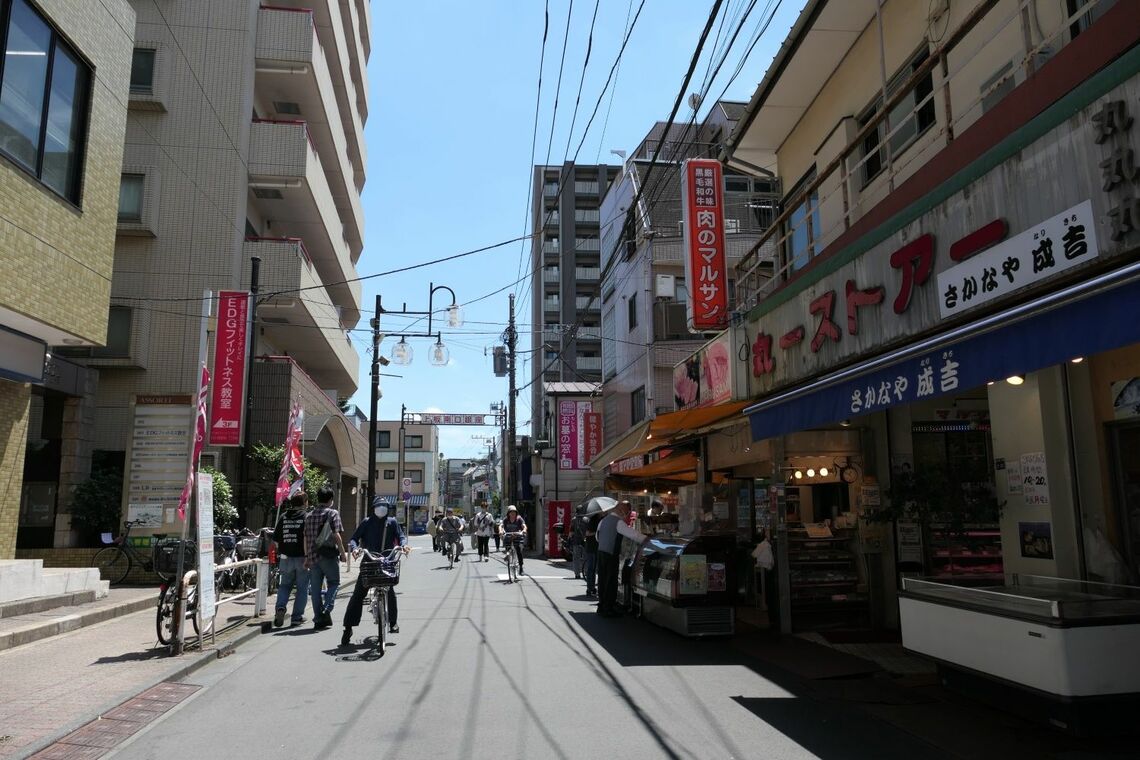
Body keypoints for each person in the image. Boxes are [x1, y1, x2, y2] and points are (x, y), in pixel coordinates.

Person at [341, 498, 410, 647]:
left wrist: (404, 546)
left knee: (389, 590)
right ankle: (348, 628)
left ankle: (393, 623)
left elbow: (401, 537)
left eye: (384, 506)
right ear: (373, 508)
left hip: (386, 562)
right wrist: (355, 548)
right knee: (358, 594)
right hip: (369, 563)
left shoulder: (392, 522)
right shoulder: (366, 522)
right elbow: (354, 539)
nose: (381, 508)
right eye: (379, 506)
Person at [303, 485, 347, 629]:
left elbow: (305, 537)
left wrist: (306, 557)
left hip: (313, 557)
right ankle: (327, 608)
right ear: (331, 500)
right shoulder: (332, 513)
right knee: (334, 582)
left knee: (315, 589)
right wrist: (342, 553)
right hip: (328, 555)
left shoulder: (309, 516)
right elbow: (336, 535)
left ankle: (319, 619)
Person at [596, 500, 648, 617]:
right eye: (626, 511)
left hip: (601, 552)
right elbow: (633, 534)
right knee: (611, 581)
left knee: (602, 580)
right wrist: (647, 539)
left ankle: (601, 605)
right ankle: (608, 608)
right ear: (621, 510)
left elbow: (597, 536)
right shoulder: (618, 522)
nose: (627, 514)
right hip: (611, 554)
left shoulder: (603, 520)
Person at [272, 491, 311, 627]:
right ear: (304, 503)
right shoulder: (306, 517)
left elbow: (276, 540)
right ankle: (297, 617)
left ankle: (280, 608)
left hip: (285, 558)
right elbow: (309, 538)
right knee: (302, 588)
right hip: (302, 558)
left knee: (285, 586)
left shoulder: (283, 517)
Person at [500, 505, 527, 573]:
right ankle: (507, 554)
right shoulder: (506, 519)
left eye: (514, 512)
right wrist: (500, 531)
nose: (513, 514)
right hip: (509, 536)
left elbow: (524, 525)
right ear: (508, 513)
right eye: (511, 512)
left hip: (517, 536)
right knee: (507, 544)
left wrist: (524, 530)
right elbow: (501, 526)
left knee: (519, 551)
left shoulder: (519, 519)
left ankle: (521, 567)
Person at [583, 511, 601, 597]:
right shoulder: (591, 521)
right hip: (591, 548)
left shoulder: (601, 520)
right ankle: (589, 588)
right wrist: (596, 533)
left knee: (594, 569)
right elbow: (587, 533)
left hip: (598, 548)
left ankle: (593, 588)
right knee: (591, 569)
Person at [569, 505, 588, 580]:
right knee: (585, 558)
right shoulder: (586, 519)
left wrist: (569, 539)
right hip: (585, 541)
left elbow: (571, 532)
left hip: (576, 541)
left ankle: (577, 574)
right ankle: (586, 572)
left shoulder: (574, 520)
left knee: (576, 558)